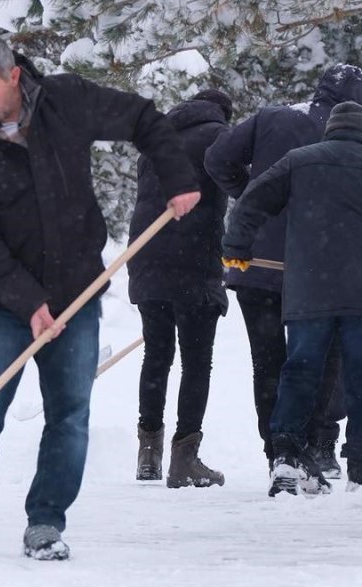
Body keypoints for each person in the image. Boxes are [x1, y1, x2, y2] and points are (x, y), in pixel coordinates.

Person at [0, 35, 200, 560]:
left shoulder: (66, 101)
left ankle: (46, 523)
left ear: (13, 77)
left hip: (77, 293)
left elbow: (143, 117)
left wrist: (178, 177)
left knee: (69, 416)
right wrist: (27, 301)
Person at [221, 101, 362, 495]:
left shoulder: (299, 161)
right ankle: (361, 470)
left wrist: (237, 246)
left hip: (311, 289)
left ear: (331, 129)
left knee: (300, 372)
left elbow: (252, 200)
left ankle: (285, 457)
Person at [204, 63, 362, 479]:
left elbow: (217, 158)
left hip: (256, 262)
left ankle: (278, 453)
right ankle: (314, 446)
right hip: (317, 269)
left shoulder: (272, 117)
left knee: (268, 362)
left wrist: (252, 194)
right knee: (318, 360)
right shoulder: (349, 137)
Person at [127, 89, 233, 488]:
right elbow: (239, 186)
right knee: (195, 361)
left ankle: (148, 455)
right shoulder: (221, 137)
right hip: (194, 261)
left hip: (146, 258)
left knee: (156, 356)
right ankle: (184, 459)